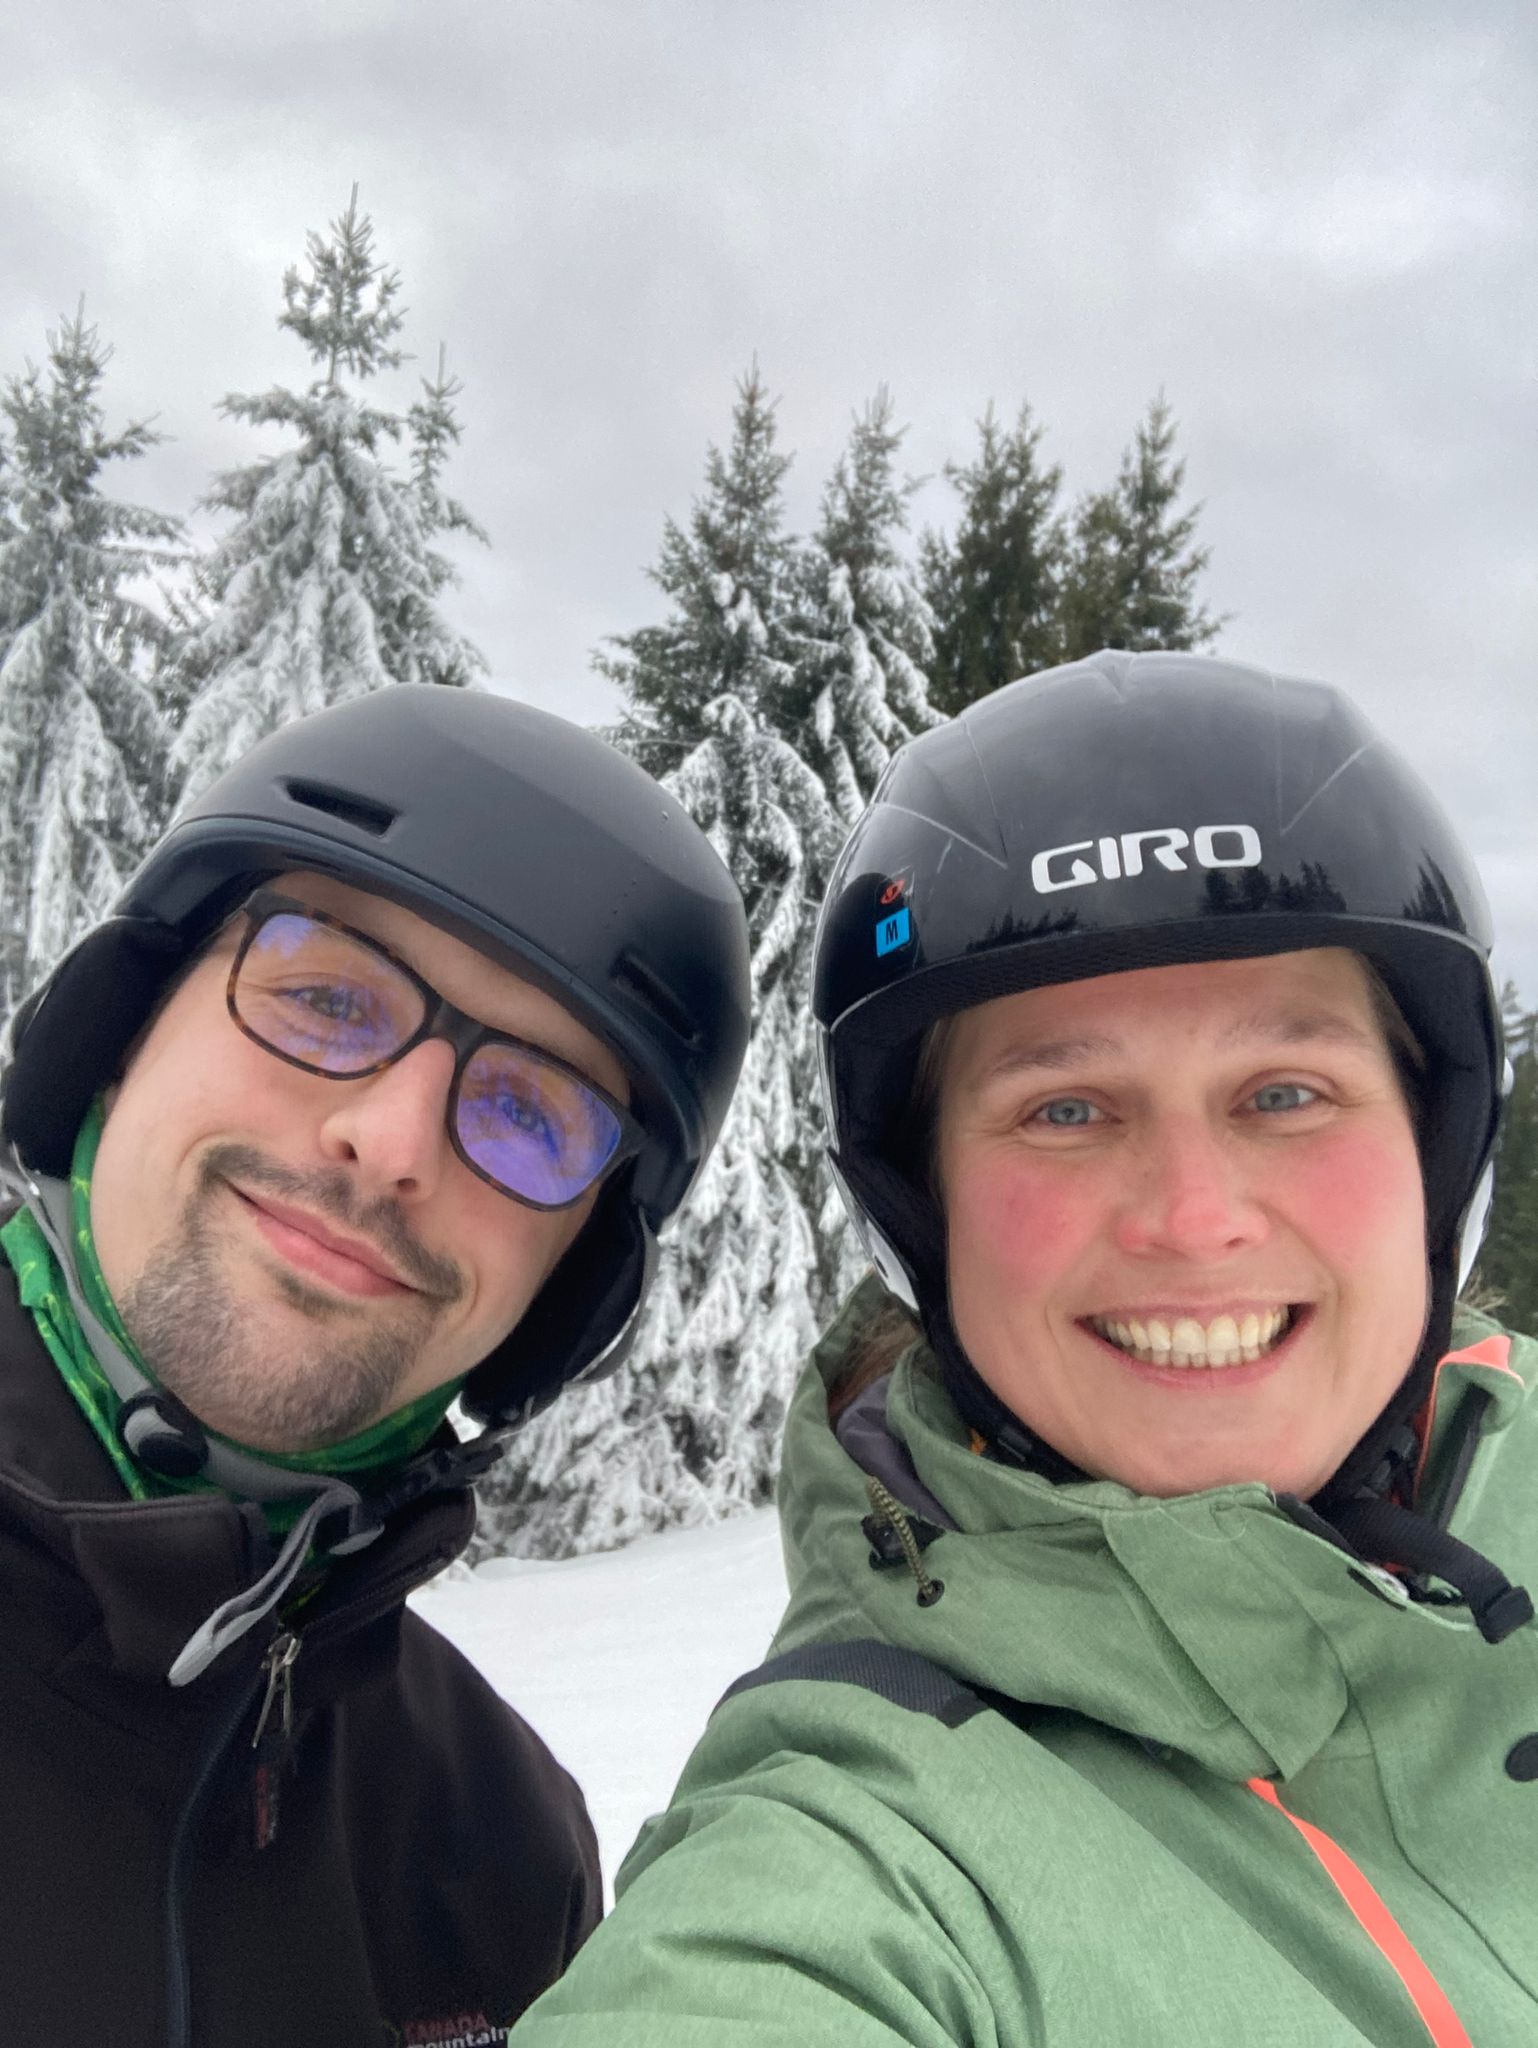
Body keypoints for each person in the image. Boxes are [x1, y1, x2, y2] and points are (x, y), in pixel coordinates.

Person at [511, 651, 1538, 2046]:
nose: (1193, 1218)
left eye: (1285, 1093)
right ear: (921, 1207)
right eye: (1065, 1111)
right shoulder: (857, 1866)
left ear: (1436, 1141)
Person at [0, 684, 749, 2047]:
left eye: (528, 1112)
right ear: (115, 1036)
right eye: (327, 997)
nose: (394, 1141)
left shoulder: (498, 1855)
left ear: (570, 1286)